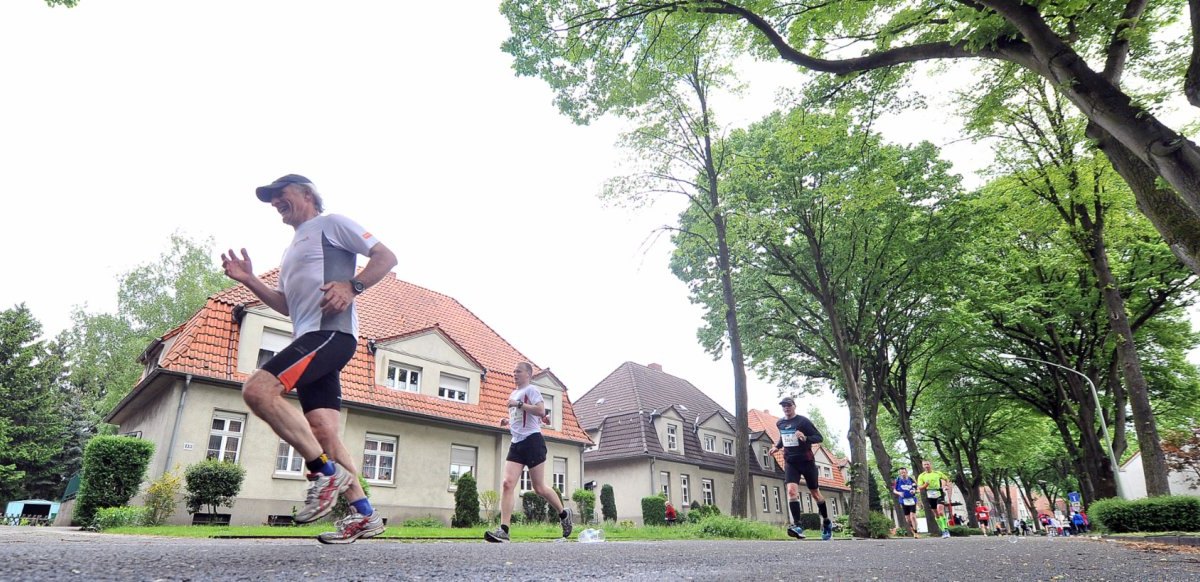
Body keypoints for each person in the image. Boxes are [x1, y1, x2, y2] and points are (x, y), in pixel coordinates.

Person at [222, 174, 397, 544]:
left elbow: (386, 256)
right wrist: (250, 279)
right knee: (324, 432)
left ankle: (324, 472)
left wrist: (353, 286)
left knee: (258, 391)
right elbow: (286, 306)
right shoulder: (290, 251)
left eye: (279, 195)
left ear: (307, 194)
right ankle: (365, 516)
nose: (275, 202)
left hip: (331, 334)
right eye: (270, 199)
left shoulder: (331, 224)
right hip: (310, 338)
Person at [485, 362, 573, 542]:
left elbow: (541, 410)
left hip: (533, 441)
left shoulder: (531, 390)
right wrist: (506, 421)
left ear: (528, 375)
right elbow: (521, 417)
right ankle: (504, 530)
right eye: (513, 371)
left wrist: (517, 404)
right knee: (507, 483)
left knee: (539, 488)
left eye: (518, 371)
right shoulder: (513, 393)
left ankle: (564, 514)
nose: (514, 374)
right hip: (516, 443)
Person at [773, 396, 833, 541]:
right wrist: (777, 447)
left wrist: (805, 437)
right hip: (791, 462)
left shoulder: (803, 421)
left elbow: (819, 437)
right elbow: (783, 438)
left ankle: (826, 522)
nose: (786, 408)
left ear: (794, 406)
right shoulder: (780, 423)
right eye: (784, 406)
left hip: (806, 461)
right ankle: (798, 526)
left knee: (815, 494)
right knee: (791, 491)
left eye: (788, 405)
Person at [916, 460, 954, 538]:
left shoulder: (937, 473)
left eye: (928, 464)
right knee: (936, 514)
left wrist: (946, 486)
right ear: (923, 466)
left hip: (939, 492)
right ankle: (943, 530)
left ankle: (946, 530)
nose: (926, 466)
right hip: (929, 494)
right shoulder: (921, 476)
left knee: (940, 511)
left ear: (931, 465)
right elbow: (919, 487)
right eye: (924, 464)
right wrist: (925, 485)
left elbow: (947, 479)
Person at [892, 467, 920, 538]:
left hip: (912, 500)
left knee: (913, 516)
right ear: (899, 473)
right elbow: (894, 490)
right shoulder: (897, 480)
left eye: (904, 472)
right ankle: (913, 529)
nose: (903, 474)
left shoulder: (911, 479)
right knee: (908, 519)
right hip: (903, 501)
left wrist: (914, 491)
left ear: (906, 472)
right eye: (901, 473)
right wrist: (899, 493)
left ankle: (916, 532)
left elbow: (918, 489)